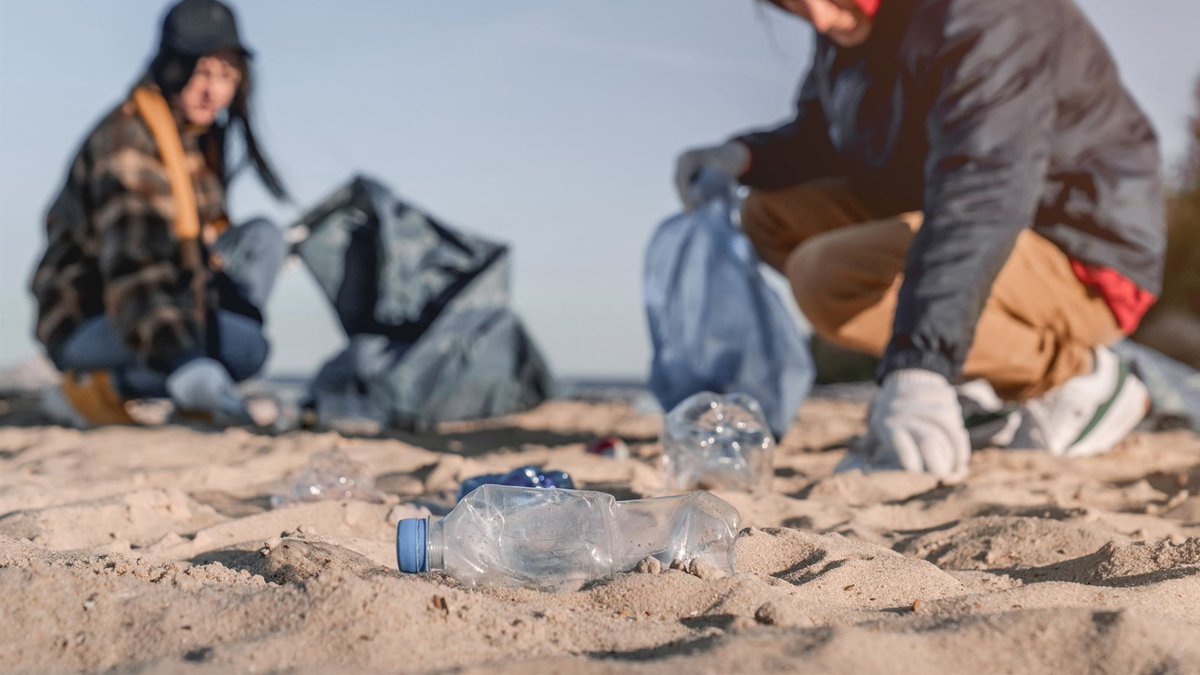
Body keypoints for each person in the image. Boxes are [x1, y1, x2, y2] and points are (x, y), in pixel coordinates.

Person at [675, 0, 1165, 477]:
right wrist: (743, 157)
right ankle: (982, 381)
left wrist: (920, 365)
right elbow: (827, 135)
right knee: (768, 214)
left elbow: (984, 187)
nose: (819, 17)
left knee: (829, 279)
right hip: (954, 211)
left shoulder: (988, 14)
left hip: (1082, 252)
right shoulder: (846, 28)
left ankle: (1078, 376)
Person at [30, 0, 288, 427]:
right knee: (247, 349)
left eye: (226, 75)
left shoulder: (195, 142)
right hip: (94, 316)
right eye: (202, 73)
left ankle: (191, 378)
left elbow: (200, 247)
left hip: (168, 300)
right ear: (172, 67)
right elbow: (136, 269)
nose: (214, 91)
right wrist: (185, 359)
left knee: (263, 237)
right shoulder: (128, 139)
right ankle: (100, 386)